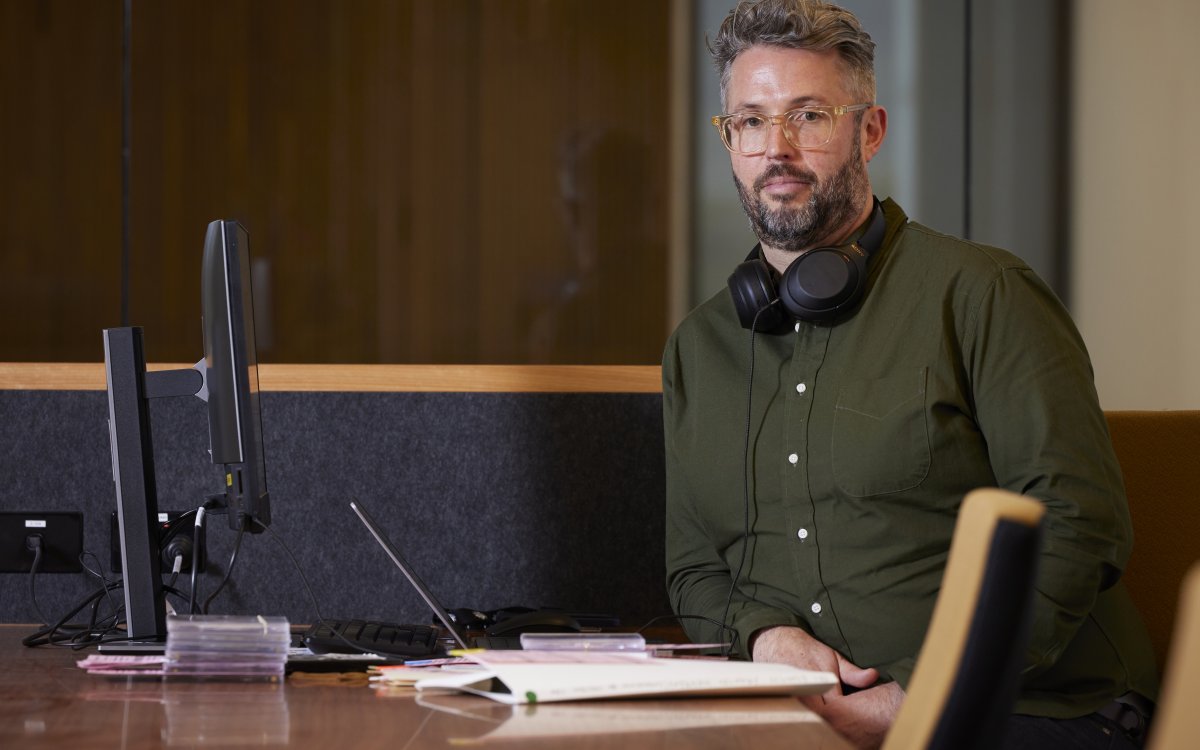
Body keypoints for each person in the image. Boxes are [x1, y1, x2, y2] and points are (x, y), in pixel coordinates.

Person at [662, 1, 1159, 748]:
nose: (777, 149)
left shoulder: (983, 294)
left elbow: (1077, 524)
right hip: (804, 722)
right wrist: (765, 640)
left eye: (810, 116)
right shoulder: (699, 348)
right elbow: (695, 566)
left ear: (871, 130)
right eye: (752, 121)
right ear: (729, 139)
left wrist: (919, 698)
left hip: (1031, 712)